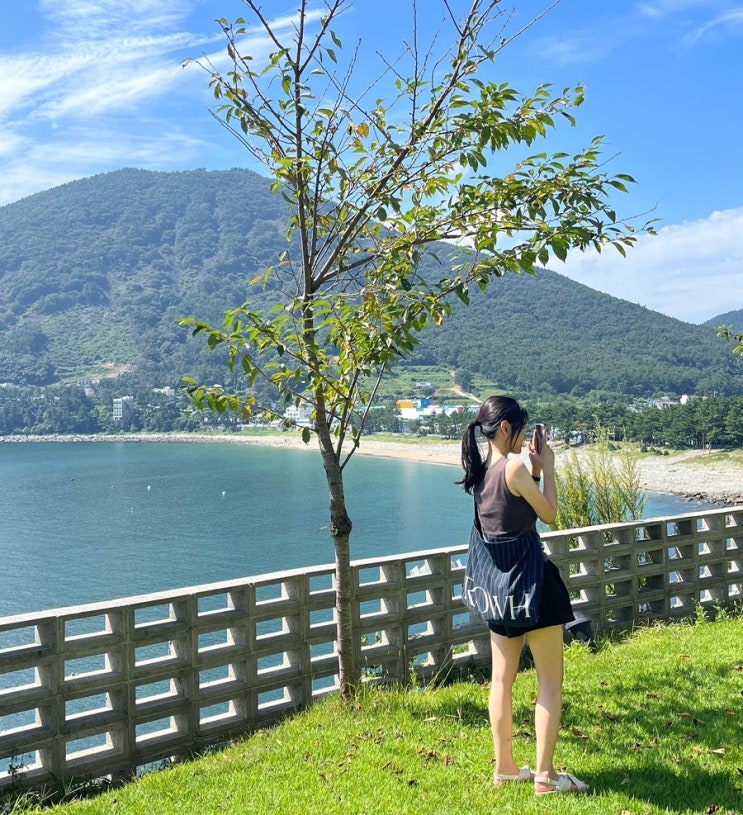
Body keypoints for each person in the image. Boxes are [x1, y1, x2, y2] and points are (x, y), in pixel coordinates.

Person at [459, 395, 589, 796]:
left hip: (499, 593)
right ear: (505, 428)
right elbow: (548, 513)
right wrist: (547, 467)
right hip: (534, 587)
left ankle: (506, 768)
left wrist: (532, 468)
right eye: (519, 428)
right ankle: (546, 777)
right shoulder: (515, 468)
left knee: (502, 680)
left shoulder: (481, 473)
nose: (521, 436)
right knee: (550, 682)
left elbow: (509, 512)